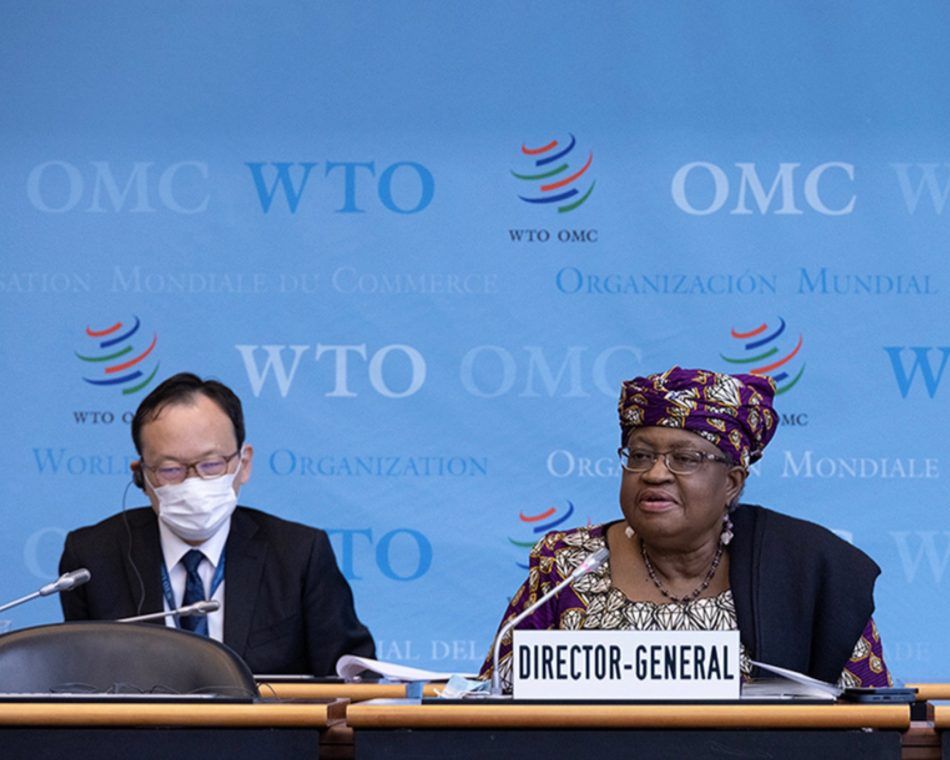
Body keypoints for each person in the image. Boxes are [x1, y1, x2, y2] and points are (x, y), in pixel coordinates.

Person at [480, 366, 890, 690]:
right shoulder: (567, 564)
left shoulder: (809, 572)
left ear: (731, 482)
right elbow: (490, 698)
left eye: (685, 459)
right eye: (640, 455)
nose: (655, 474)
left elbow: (871, 719)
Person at [59, 372, 374, 675]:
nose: (194, 482)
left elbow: (352, 677)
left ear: (243, 464)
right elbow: (79, 683)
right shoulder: (92, 558)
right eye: (171, 469)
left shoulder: (298, 555)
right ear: (141, 475)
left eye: (211, 465)